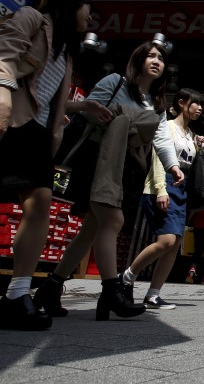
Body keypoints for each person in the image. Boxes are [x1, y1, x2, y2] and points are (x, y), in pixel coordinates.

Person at [32, 41, 185, 321]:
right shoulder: (115, 82)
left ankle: (50, 288)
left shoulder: (157, 102)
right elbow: (87, 108)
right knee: (112, 221)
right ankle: (113, 291)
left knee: (91, 230)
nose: (156, 61)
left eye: (161, 58)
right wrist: (96, 110)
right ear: (137, 59)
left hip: (126, 167)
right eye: (150, 55)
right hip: (99, 159)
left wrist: (173, 165)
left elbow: (161, 137)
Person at [0, 0, 102, 330]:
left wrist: (83, 105)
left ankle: (16, 294)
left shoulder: (66, 52)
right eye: (86, 9)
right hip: (11, 121)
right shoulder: (31, 18)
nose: (90, 18)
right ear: (70, 5)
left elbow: (46, 96)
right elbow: (4, 55)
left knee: (39, 203)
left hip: (38, 134)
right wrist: (2, 95)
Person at [119, 88, 204, 310]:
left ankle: (153, 294)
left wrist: (200, 149)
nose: (199, 108)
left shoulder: (190, 135)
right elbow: (158, 159)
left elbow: (190, 166)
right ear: (181, 103)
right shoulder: (167, 126)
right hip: (164, 185)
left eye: (201, 105)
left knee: (174, 243)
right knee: (166, 240)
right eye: (195, 103)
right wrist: (161, 189)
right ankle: (127, 276)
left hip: (182, 188)